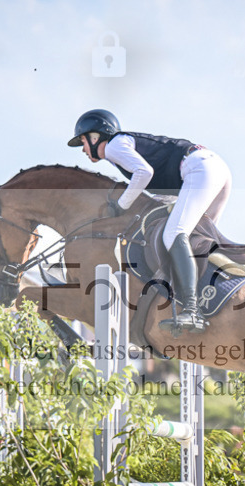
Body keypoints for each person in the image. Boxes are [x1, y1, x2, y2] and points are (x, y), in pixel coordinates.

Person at [68, 109, 232, 334]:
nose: (84, 149)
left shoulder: (115, 146)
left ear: (96, 137)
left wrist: (120, 205)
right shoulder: (121, 149)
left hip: (199, 168)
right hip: (214, 168)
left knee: (174, 234)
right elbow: (155, 182)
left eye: (84, 142)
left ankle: (192, 310)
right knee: (196, 240)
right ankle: (210, 297)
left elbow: (144, 173)